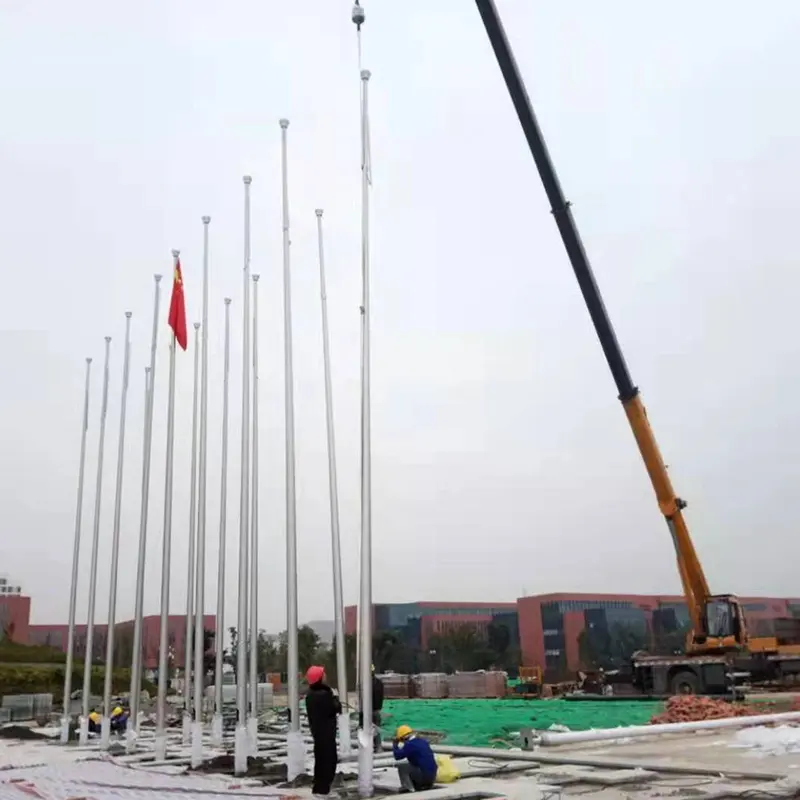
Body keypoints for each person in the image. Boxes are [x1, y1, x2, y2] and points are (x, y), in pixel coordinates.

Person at [304, 665, 341, 797]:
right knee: (328, 761)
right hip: (325, 733)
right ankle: (323, 790)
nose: (326, 676)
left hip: (318, 732)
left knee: (321, 760)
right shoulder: (323, 695)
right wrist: (335, 697)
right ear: (319, 678)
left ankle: (319, 788)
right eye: (323, 674)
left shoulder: (311, 694)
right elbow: (335, 708)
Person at [392, 725, 437, 793]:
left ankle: (408, 788)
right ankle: (420, 786)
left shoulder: (410, 745)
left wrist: (395, 744)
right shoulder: (423, 741)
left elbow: (397, 756)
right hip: (432, 778)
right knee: (412, 765)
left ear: (403, 738)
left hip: (423, 778)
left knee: (403, 767)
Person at [358, 665, 385, 753]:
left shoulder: (365, 683)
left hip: (367, 711)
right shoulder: (379, 683)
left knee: (365, 731)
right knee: (376, 731)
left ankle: (366, 750)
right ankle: (378, 748)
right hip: (377, 710)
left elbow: (363, 698)